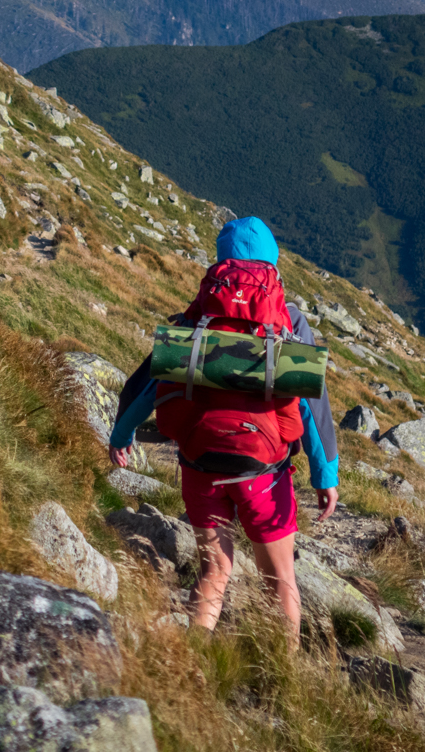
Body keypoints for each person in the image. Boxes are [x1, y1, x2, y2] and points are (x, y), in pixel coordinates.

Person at [108, 216, 339, 639]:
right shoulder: (288, 320)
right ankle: (284, 683)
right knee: (281, 580)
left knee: (214, 571)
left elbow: (150, 384)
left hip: (201, 464)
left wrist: (121, 435)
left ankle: (196, 664)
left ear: (221, 262)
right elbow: (309, 402)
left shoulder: (197, 318)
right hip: (264, 474)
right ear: (272, 262)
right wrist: (326, 475)